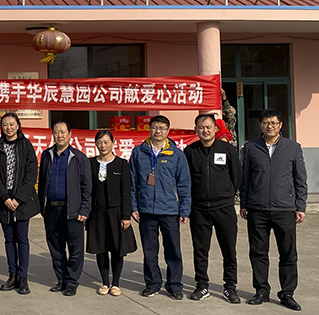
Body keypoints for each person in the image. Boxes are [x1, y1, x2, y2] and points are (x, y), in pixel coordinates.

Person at [240, 108, 307, 311]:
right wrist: (244, 203)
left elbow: (300, 179)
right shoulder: (251, 147)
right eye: (265, 123)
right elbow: (245, 179)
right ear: (260, 125)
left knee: (288, 253)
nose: (270, 126)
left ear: (280, 125)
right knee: (258, 252)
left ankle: (287, 293)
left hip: (284, 209)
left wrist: (300, 205)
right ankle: (261, 291)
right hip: (257, 208)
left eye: (273, 123)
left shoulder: (293, 148)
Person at [129, 114, 191, 300]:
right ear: (150, 129)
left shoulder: (176, 154)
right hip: (146, 209)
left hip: (170, 210)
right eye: (155, 127)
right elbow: (132, 183)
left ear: (168, 131)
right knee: (150, 251)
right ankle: (153, 284)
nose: (158, 131)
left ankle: (174, 285)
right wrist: (134, 206)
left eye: (162, 128)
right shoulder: (138, 152)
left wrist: (184, 209)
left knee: (173, 250)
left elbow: (184, 184)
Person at [185, 113, 242, 303]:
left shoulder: (227, 149)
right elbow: (186, 179)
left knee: (229, 249)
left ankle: (230, 287)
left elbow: (236, 176)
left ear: (216, 129)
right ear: (196, 130)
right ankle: (202, 285)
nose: (205, 130)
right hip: (199, 209)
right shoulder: (190, 151)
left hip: (223, 207)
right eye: (201, 127)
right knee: (200, 250)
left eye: (208, 127)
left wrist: (226, 194)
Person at [0, 112, 39, 295]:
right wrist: (4, 198)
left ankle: (23, 278)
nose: (8, 127)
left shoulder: (25, 146)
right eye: (5, 124)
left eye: (11, 124)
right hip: (4, 201)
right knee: (9, 239)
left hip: (21, 201)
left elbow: (31, 173)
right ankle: (12, 275)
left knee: (22, 239)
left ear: (18, 125)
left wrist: (19, 198)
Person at [38, 121, 91, 296]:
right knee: (56, 248)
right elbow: (42, 181)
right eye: (56, 132)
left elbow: (87, 187)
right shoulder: (47, 155)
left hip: (72, 211)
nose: (59, 135)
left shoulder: (79, 158)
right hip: (51, 210)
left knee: (75, 249)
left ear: (70, 134)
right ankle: (61, 280)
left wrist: (84, 210)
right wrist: (42, 206)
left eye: (63, 132)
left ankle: (72, 282)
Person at [87, 130, 137, 296]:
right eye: (99, 142)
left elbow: (126, 191)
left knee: (117, 248)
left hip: (116, 213)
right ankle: (104, 282)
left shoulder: (121, 164)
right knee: (100, 248)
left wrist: (126, 216)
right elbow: (86, 190)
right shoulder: (90, 163)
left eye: (106, 142)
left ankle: (115, 283)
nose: (103, 146)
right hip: (97, 213)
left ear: (113, 143)